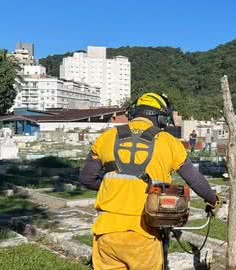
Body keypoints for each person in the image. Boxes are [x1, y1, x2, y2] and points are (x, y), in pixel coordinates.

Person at [79, 92, 220, 270]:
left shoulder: (106, 137)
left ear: (133, 113)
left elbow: (86, 179)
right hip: (144, 233)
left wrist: (116, 187)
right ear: (161, 118)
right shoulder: (169, 142)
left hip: (106, 231)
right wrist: (213, 201)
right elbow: (195, 180)